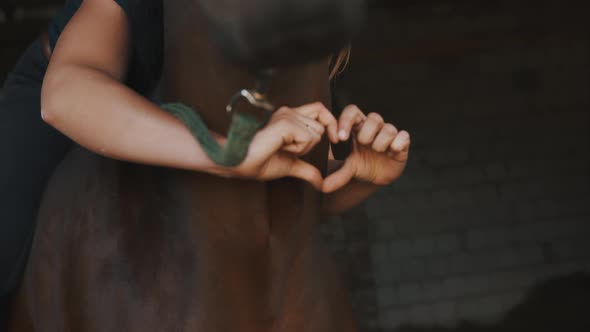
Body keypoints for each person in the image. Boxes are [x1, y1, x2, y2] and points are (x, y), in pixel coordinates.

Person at [0, 0, 410, 313]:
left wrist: (355, 177)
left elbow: (261, 210)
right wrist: (223, 153)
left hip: (201, 132)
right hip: (71, 101)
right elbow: (65, 96)